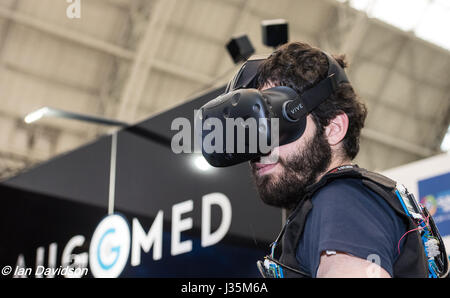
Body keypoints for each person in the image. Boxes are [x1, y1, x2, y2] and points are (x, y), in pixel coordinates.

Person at [248, 41, 413, 278]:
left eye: (281, 126)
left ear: (333, 129)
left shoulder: (341, 200)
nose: (261, 148)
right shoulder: (340, 204)